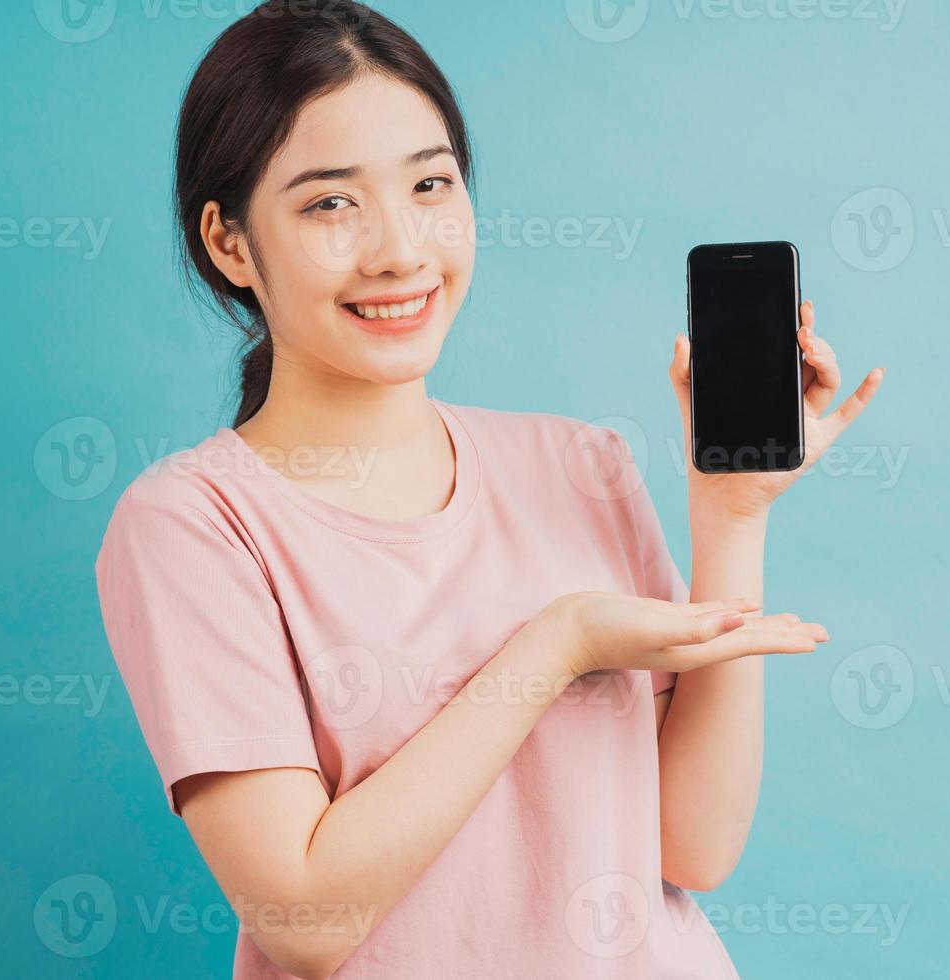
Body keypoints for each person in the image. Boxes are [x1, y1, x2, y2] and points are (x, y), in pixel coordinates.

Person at [95, 2, 884, 977]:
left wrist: (732, 517)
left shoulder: (577, 462)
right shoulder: (195, 524)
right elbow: (305, 919)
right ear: (229, 243)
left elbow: (695, 846)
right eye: (330, 203)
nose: (399, 250)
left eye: (430, 184)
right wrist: (554, 646)